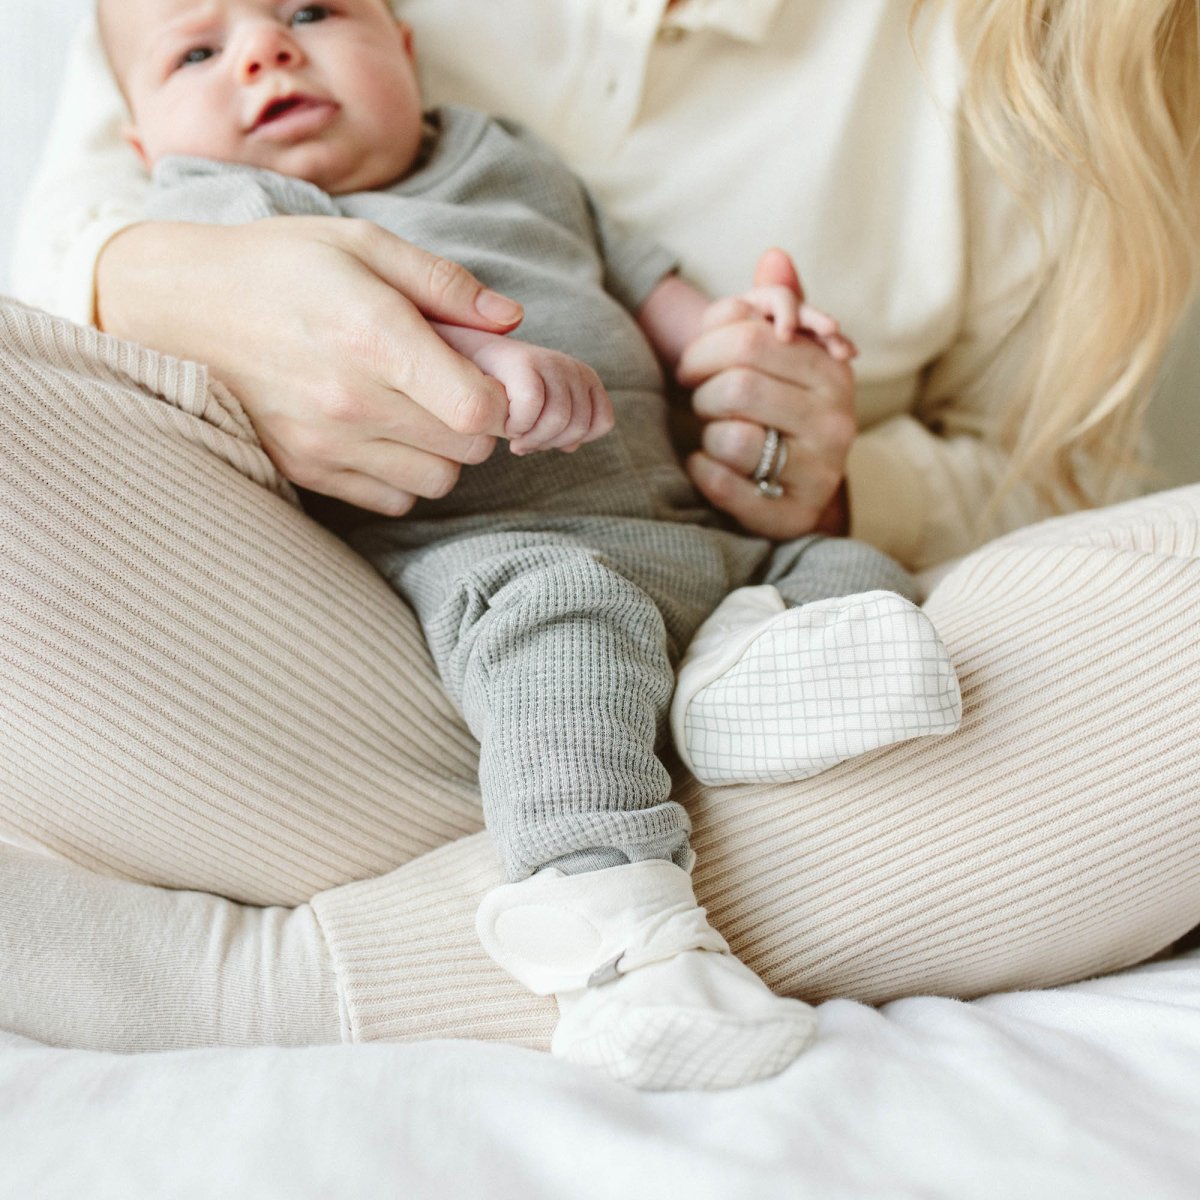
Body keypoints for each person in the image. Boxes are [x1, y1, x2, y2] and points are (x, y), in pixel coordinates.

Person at [2, 0, 1199, 1056]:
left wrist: (761, 363)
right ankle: (615, 900)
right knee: (564, 628)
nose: (266, 51)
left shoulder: (507, 155)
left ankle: (383, 941)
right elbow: (67, 284)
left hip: (702, 545)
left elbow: (664, 297)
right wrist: (428, 358)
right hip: (434, 601)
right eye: (200, 55)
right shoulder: (233, 199)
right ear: (145, 144)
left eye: (314, 13)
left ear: (406, 51)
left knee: (868, 578)